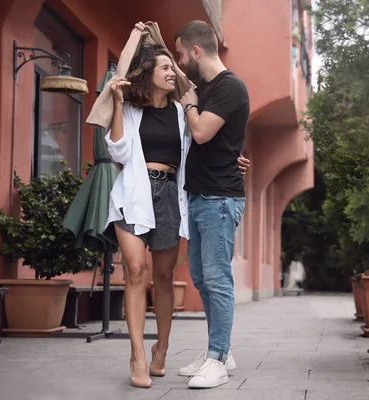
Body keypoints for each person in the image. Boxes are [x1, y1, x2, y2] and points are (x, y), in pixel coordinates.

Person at [104, 40, 249, 389]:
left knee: (165, 278)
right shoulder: (130, 110)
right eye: (166, 68)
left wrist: (234, 158)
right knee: (136, 272)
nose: (174, 73)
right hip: (133, 195)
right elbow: (118, 152)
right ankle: (137, 355)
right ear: (148, 74)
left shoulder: (181, 113)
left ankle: (162, 350)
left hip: (170, 196)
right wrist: (119, 102)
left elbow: (203, 145)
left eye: (174, 65)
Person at [173, 20, 249, 389]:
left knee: (217, 279)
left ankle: (217, 359)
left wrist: (190, 105)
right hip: (202, 196)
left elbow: (201, 132)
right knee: (202, 279)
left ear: (197, 51)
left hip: (220, 198)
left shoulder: (229, 86)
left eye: (181, 53)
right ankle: (222, 350)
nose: (179, 60)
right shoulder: (205, 87)